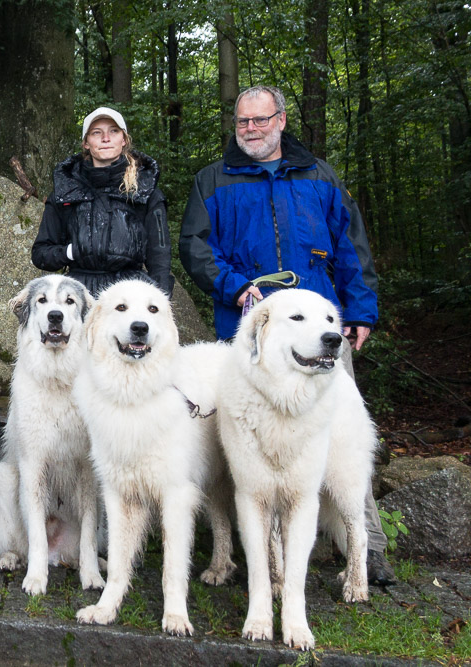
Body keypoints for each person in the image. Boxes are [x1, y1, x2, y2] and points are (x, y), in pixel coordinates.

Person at [178, 84, 395, 585]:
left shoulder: (319, 175)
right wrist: (236, 290)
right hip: (253, 339)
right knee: (255, 447)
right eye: (241, 122)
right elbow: (196, 248)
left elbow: (350, 245)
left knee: (343, 436)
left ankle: (367, 549)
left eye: (259, 120)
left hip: (320, 336)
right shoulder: (213, 180)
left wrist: (360, 309)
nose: (250, 129)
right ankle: (270, 562)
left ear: (281, 120)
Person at [32, 106, 172, 298]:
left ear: (124, 140)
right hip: (78, 295)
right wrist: (71, 252)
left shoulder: (145, 191)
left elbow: (159, 257)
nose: (105, 138)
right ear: (86, 143)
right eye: (96, 133)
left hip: (130, 295)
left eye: (113, 131)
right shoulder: (66, 191)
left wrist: (159, 302)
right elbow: (41, 254)